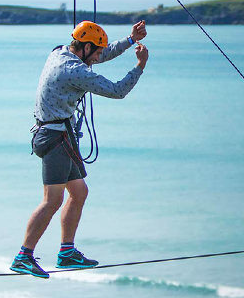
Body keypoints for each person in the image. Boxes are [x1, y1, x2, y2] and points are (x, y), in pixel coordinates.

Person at [11, 20, 149, 278]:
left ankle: (66, 252)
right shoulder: (74, 71)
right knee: (52, 200)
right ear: (85, 47)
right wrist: (139, 67)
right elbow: (117, 91)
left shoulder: (60, 51)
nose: (98, 57)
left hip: (59, 134)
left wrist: (130, 40)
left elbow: (100, 53)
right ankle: (23, 256)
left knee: (79, 191)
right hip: (55, 139)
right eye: (96, 53)